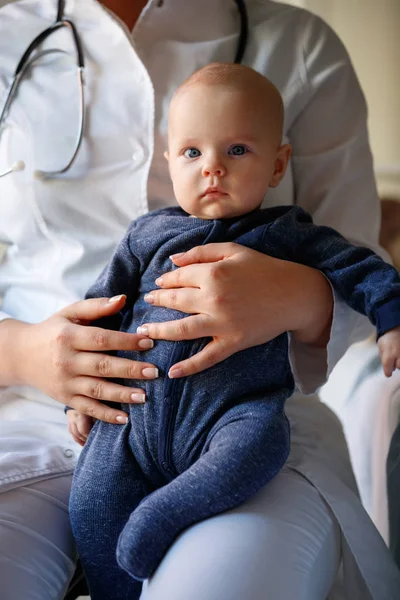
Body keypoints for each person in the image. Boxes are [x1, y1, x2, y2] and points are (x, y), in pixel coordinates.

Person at [0, 1, 399, 599]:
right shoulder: (147, 235)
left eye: (238, 150)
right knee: (88, 508)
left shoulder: (290, 224)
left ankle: (164, 517)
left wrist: (306, 299)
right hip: (99, 414)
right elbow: (104, 298)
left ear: (276, 164)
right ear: (172, 159)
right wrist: (31, 357)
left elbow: (361, 266)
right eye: (192, 154)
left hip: (245, 410)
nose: (212, 168)